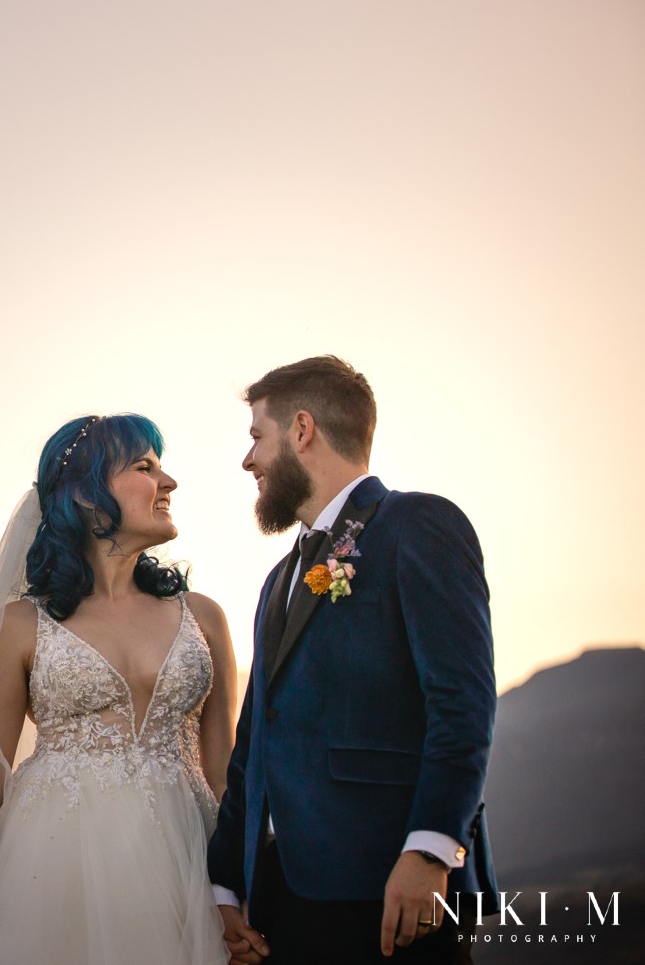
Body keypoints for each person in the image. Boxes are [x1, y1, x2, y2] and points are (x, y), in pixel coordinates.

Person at [0, 413, 235, 965]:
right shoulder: (22, 624)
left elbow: (225, 775)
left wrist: (238, 892)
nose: (168, 484)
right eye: (145, 468)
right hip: (54, 873)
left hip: (188, 865)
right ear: (89, 498)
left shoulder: (204, 617)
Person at [208, 356, 498, 965]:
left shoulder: (418, 526)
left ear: (303, 429)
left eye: (257, 436)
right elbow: (255, 738)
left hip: (394, 889)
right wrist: (227, 882)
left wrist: (428, 852)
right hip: (285, 900)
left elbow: (462, 704)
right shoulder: (278, 580)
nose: (249, 460)